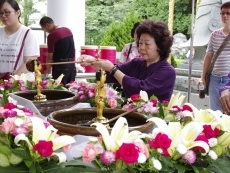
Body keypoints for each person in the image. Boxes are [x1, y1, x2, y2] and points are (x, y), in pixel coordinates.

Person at [78, 20, 176, 102]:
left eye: (147, 44)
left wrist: (112, 69)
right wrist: (92, 62)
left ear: (160, 46)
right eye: (140, 43)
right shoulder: (136, 63)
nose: (141, 47)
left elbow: (140, 89)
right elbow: (110, 74)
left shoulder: (167, 71)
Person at [200, 2, 230, 111]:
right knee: (214, 111)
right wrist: (203, 77)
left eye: (228, 13)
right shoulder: (214, 34)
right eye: (222, 13)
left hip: (228, 79)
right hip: (214, 78)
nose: (225, 16)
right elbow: (208, 56)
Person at [0, 0, 39, 75]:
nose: (3, 16)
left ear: (18, 12)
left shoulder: (29, 34)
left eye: (7, 12)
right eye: (1, 13)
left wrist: (11, 80)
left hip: (19, 83)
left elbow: (30, 63)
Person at [39, 16, 76, 86]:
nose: (45, 31)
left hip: (60, 67)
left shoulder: (52, 36)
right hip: (71, 65)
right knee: (71, 89)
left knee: (60, 91)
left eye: (43, 28)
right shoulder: (68, 30)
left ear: (47, 25)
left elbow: (50, 56)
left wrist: (48, 69)